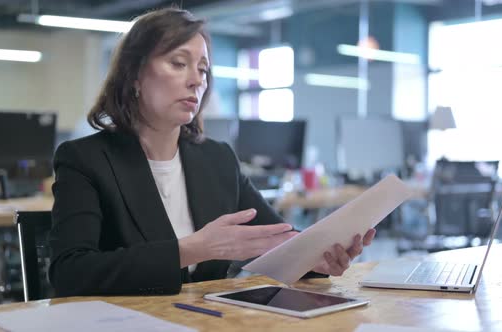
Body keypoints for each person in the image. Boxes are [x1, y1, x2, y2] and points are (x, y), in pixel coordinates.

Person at [49, 7, 376, 297]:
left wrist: (318, 256)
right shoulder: (85, 159)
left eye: (203, 70)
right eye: (179, 63)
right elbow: (70, 273)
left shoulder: (217, 159)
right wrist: (191, 250)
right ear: (134, 75)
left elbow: (278, 242)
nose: (196, 80)